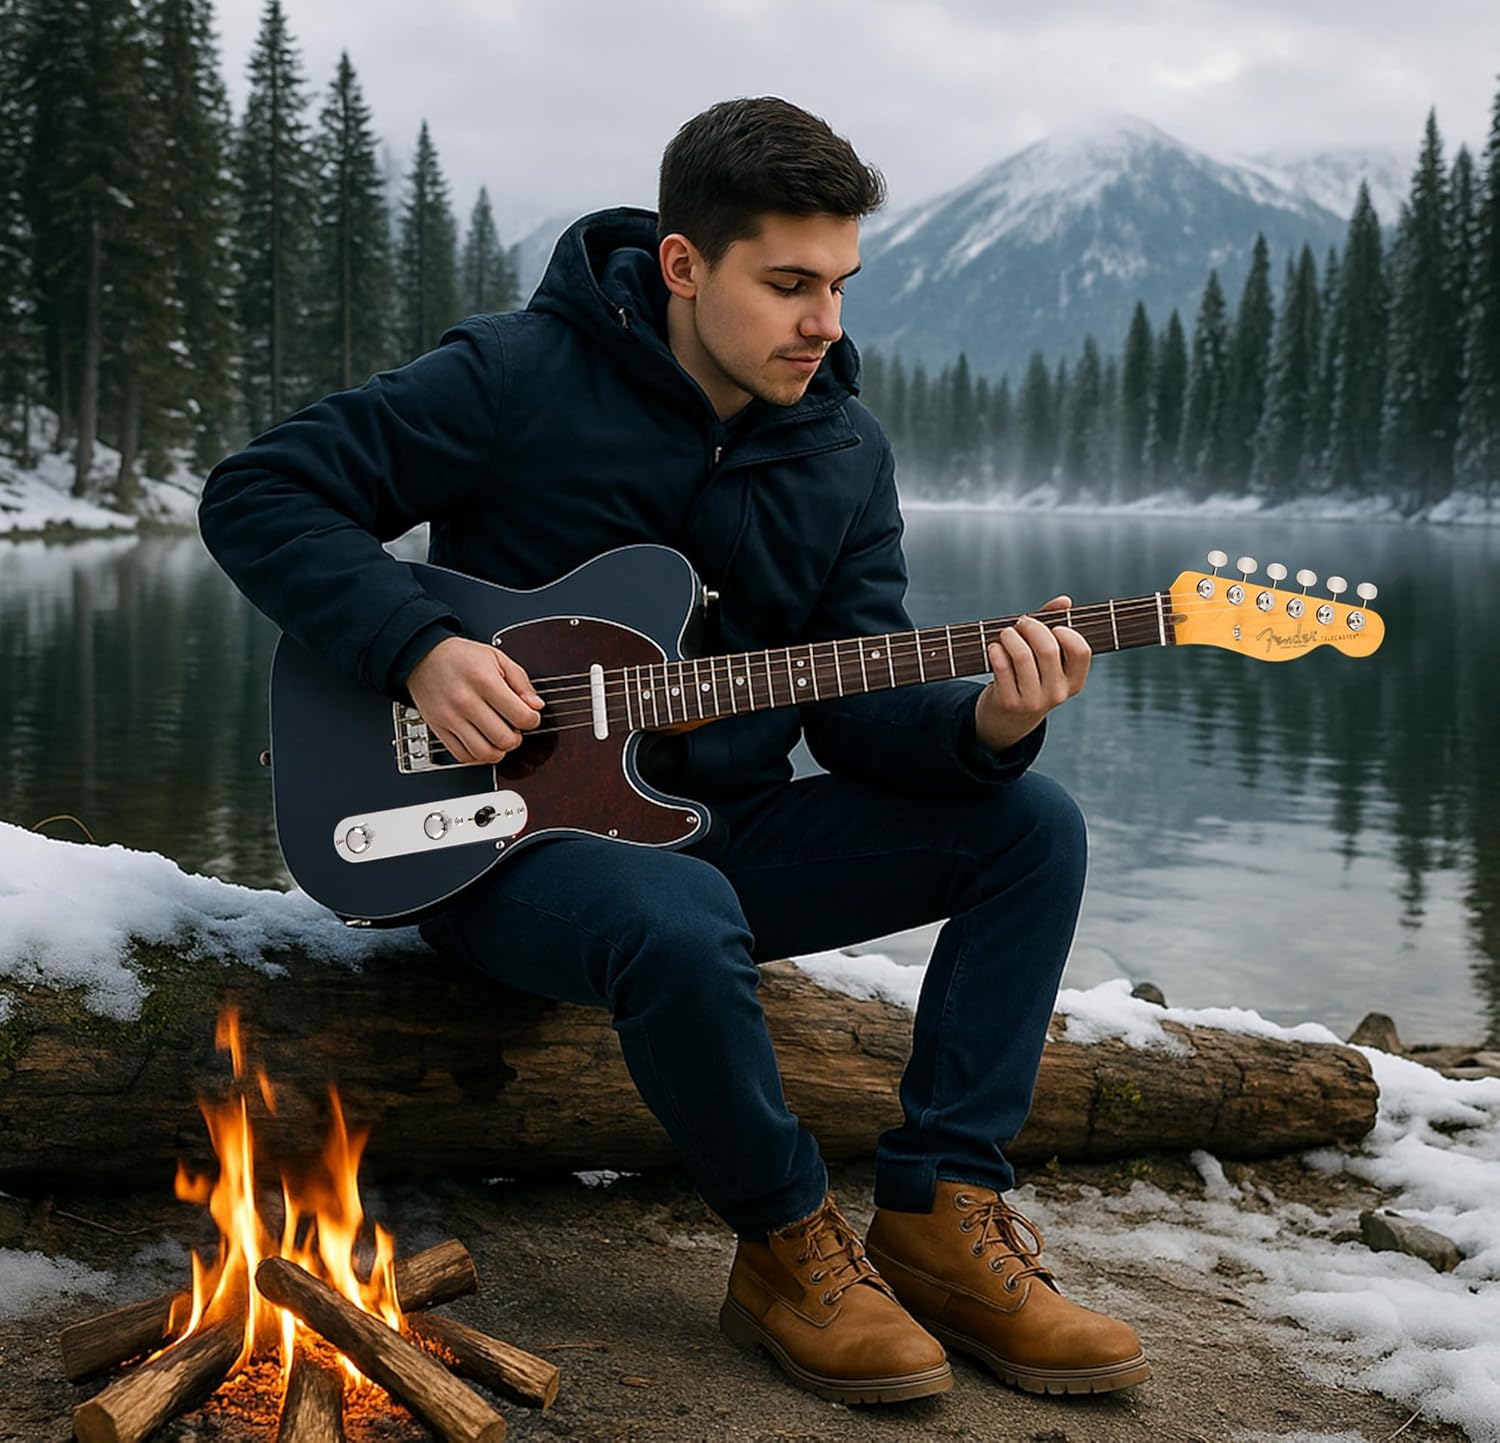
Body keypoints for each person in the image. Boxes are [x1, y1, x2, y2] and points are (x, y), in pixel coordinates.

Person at [199, 95, 1149, 1406]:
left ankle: (941, 1219)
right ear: (683, 266)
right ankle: (785, 1244)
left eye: (843, 284)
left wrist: (991, 721)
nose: (827, 322)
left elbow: (859, 708)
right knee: (673, 906)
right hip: (492, 848)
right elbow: (260, 492)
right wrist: (417, 644)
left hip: (720, 840)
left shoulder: (841, 452)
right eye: (790, 285)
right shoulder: (517, 375)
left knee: (1031, 826)